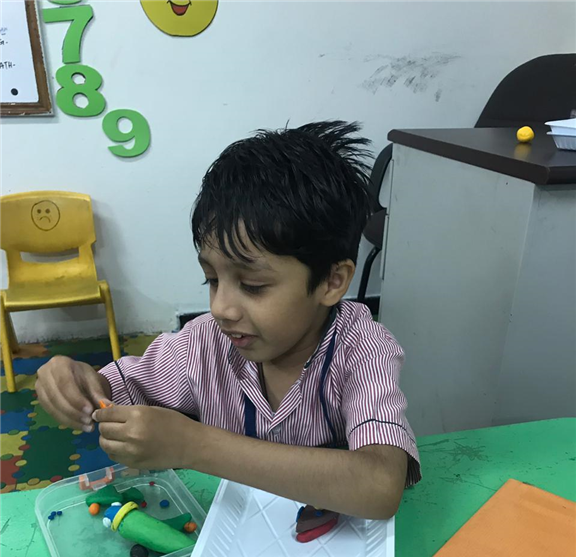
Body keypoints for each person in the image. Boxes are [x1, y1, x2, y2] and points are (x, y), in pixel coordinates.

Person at [36, 121, 420, 520]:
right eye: (213, 279)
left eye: (253, 285)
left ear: (331, 281)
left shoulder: (363, 350)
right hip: (229, 540)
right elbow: (114, 392)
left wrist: (194, 446)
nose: (221, 308)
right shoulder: (204, 343)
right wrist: (77, 383)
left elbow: (380, 486)